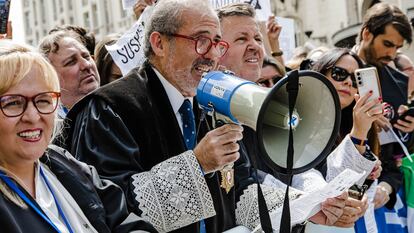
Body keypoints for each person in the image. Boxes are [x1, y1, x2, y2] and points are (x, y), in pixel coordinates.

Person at [216, 3, 372, 231]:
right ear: (216, 48)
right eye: (241, 39)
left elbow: (298, 168)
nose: (255, 47)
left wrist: (328, 199)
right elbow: (245, 182)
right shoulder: (205, 107)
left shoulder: (278, 108)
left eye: (258, 39)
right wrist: (312, 205)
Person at [0, 40, 156, 233]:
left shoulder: (63, 164)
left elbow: (124, 222)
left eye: (43, 100)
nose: (33, 116)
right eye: (13, 103)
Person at [354, 2, 413, 209]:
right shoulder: (334, 72)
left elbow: (395, 154)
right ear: (367, 34)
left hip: (377, 197)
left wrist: (408, 129)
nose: (392, 54)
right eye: (388, 44)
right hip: (334, 193)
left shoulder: (398, 83)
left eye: (397, 47)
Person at [39, 31, 100, 118]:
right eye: (71, 62)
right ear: (51, 78)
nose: (86, 65)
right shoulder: (47, 127)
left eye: (86, 56)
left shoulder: (118, 109)